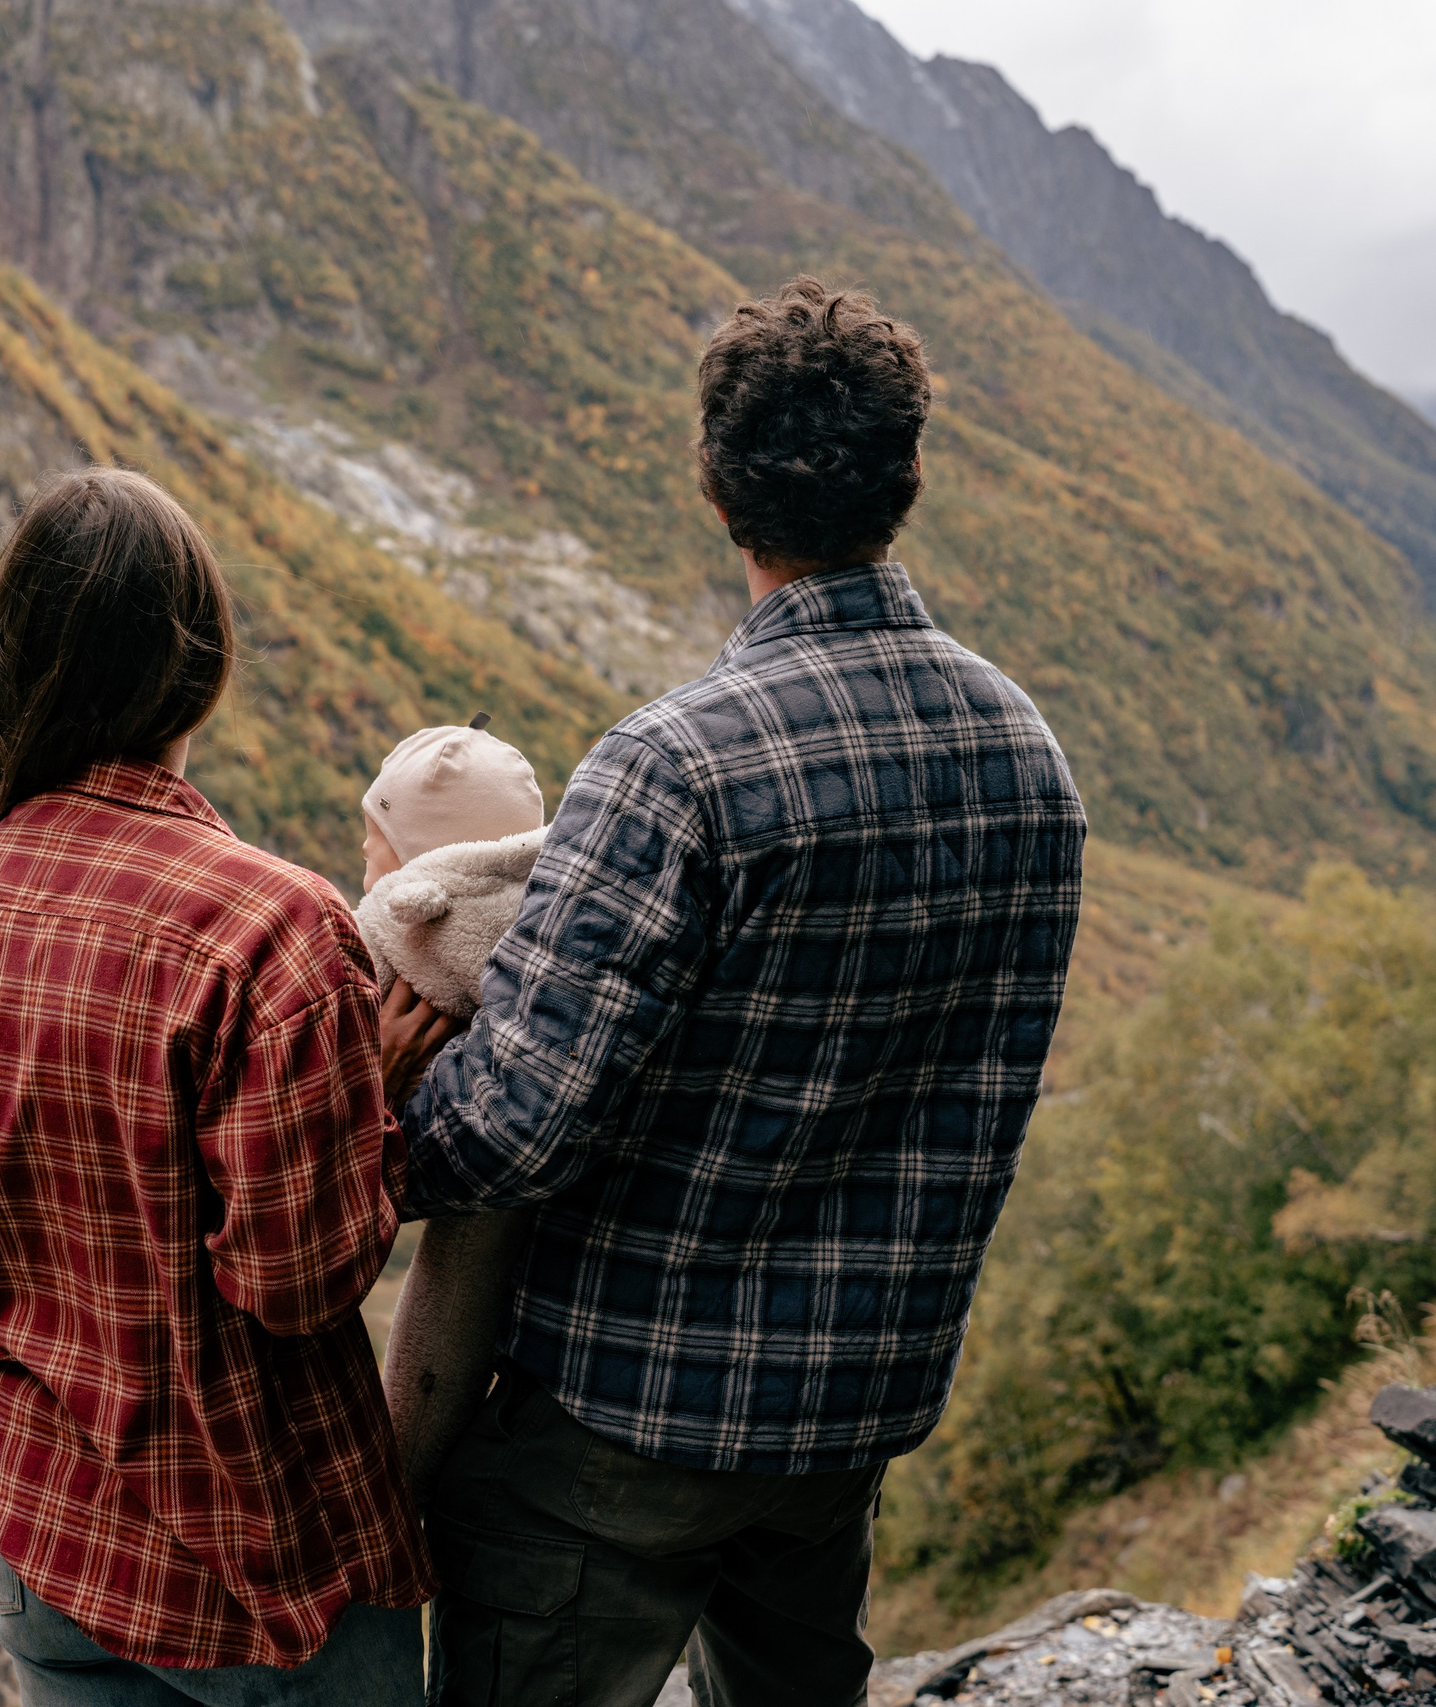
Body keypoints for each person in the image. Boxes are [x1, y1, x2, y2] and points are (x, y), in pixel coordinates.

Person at [393, 278, 1090, 1707]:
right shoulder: (1030, 758)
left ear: (715, 487)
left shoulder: (672, 767)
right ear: (906, 475)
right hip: (851, 1411)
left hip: (620, 1419)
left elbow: (511, 1129)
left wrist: (365, 1097)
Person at [0, 467, 457, 1707]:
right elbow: (295, 1281)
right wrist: (366, 1098)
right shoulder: (273, 926)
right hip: (245, 1570)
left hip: (43, 1531)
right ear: (201, 667)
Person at [348, 719, 550, 1499]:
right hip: (512, 1189)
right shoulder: (550, 919)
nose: (364, 853)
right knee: (456, 1305)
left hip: (397, 1155)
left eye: (375, 839)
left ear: (420, 855)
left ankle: (388, 1482)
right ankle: (409, 1469)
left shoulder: (400, 916)